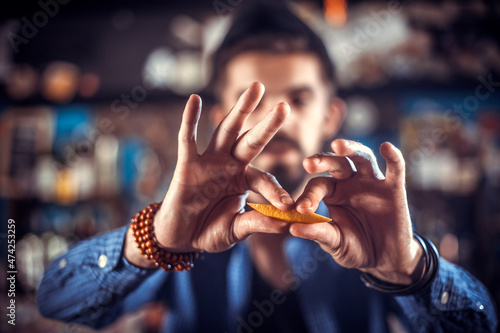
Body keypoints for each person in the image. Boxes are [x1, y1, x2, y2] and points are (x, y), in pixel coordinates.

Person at [38, 2, 497, 332]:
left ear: (331, 115)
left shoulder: (378, 233)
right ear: (221, 118)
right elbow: (55, 301)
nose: (280, 118)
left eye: (298, 99)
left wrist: (410, 271)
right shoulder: (173, 234)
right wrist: (153, 241)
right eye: (252, 100)